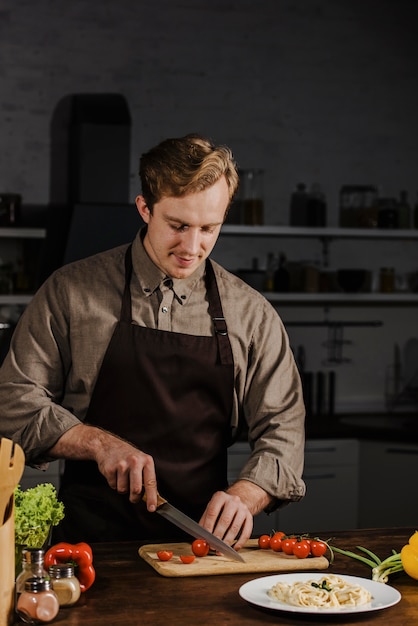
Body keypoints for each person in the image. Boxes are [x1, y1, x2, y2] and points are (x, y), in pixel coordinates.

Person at [0, 133, 305, 549]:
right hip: (90, 548)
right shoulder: (71, 292)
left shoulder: (250, 314)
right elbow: (12, 402)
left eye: (209, 228)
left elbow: (284, 429)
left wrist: (247, 495)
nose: (192, 247)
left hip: (200, 548)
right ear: (145, 208)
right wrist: (97, 442)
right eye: (178, 226)